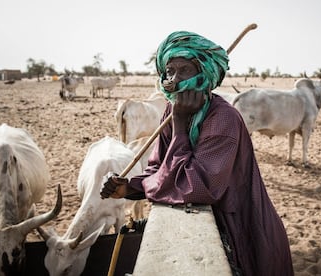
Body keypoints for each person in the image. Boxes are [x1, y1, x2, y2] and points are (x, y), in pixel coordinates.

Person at [100, 31, 294, 276]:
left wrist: (180, 126)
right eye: (169, 71)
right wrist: (130, 187)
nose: (174, 79)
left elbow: (195, 187)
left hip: (241, 228)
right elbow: (159, 168)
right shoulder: (173, 109)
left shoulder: (222, 118)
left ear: (204, 74)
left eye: (185, 70)